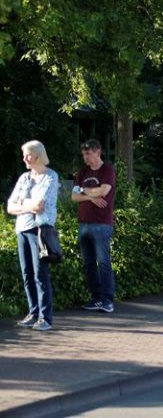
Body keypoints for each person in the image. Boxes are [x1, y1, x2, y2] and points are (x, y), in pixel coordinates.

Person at [8, 140, 59, 331]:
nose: (24, 158)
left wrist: (23, 204)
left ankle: (45, 318)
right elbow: (10, 206)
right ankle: (33, 312)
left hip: (40, 230)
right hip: (22, 229)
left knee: (40, 274)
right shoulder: (24, 178)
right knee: (27, 274)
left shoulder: (51, 177)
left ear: (37, 155)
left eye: (27, 155)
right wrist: (26, 205)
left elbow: (40, 206)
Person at [71, 139, 117, 313]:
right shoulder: (82, 172)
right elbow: (74, 197)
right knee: (88, 263)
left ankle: (107, 300)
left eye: (88, 153)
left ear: (98, 152)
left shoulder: (108, 170)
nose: (85, 157)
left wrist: (82, 190)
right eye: (83, 154)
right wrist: (90, 196)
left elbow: (103, 191)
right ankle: (96, 298)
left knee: (103, 261)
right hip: (84, 222)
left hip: (101, 223)